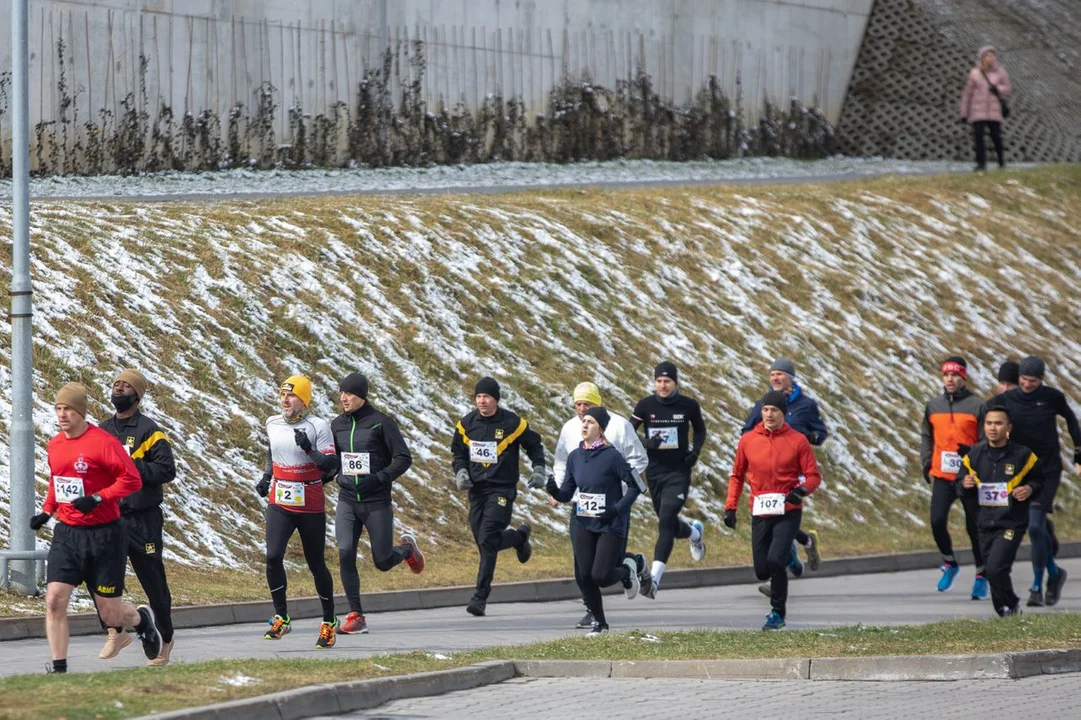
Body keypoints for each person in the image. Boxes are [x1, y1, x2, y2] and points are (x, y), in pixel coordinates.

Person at [31, 383, 162, 674]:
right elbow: (58, 482)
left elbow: (132, 480)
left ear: (80, 412)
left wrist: (99, 497)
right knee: (54, 600)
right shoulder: (55, 444)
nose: (62, 415)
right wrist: (47, 511)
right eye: (58, 409)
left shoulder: (103, 443)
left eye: (68, 409)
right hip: (67, 535)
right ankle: (60, 670)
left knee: (110, 613)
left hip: (106, 535)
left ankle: (142, 622)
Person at [552, 382, 651, 629]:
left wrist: (619, 497)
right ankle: (595, 617)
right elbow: (562, 464)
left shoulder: (618, 432)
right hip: (582, 510)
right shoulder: (571, 435)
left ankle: (631, 567)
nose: (582, 411)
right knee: (583, 571)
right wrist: (554, 488)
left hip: (612, 510)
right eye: (578, 405)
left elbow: (638, 466)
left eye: (588, 405)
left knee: (603, 573)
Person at [331, 373, 424, 635]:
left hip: (376, 502)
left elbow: (403, 458)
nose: (343, 398)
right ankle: (356, 615)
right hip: (348, 501)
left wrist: (379, 478)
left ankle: (407, 550)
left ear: (361, 395)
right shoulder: (336, 424)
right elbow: (334, 459)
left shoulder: (381, 423)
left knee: (382, 561)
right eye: (341, 393)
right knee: (345, 552)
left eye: (348, 393)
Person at [95, 369, 177, 666]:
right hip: (111, 517)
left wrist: (135, 466)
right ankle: (116, 630)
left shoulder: (149, 431)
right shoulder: (102, 430)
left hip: (143, 520)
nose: (118, 390)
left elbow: (167, 471)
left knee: (153, 582)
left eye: (125, 386)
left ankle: (166, 639)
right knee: (100, 576)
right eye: (115, 384)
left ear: (137, 395)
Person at [725, 390, 821, 630]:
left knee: (776, 560)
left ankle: (777, 614)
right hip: (760, 510)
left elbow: (813, 476)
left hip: (788, 510)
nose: (769, 414)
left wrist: (800, 491)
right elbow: (737, 476)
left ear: (783, 413)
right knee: (761, 570)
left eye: (774, 410)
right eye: (765, 409)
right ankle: (800, 543)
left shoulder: (797, 440)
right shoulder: (748, 440)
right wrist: (730, 508)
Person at [257, 375, 341, 647]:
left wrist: (309, 448)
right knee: (272, 557)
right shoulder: (272, 422)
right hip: (280, 498)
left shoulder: (318, 426)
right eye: (282, 394)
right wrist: (266, 477)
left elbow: (330, 465)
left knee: (316, 563)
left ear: (303, 401)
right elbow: (273, 451)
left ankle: (328, 621)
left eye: (291, 396)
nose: (284, 400)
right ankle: (281, 616)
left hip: (309, 499)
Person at [451, 377, 546, 617]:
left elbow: (534, 445)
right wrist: (460, 471)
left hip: (502, 489)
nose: (482, 401)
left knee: (487, 538)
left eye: (487, 397)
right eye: (478, 397)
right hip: (477, 491)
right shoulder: (466, 424)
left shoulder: (512, 423)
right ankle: (518, 538)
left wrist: (538, 468)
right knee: (484, 540)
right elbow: (458, 452)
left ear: (496, 399)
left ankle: (480, 597)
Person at [992, 356, 1081, 607]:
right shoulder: (1007, 399)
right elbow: (987, 417)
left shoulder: (1052, 397)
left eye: (1032, 381)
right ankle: (1055, 574)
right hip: (1020, 471)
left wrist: (1078, 453)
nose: (1027, 385)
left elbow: (1072, 421)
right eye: (1023, 380)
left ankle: (1036, 587)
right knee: (1033, 526)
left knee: (1034, 526)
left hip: (1047, 471)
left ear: (1041, 379)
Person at [741, 357, 826, 594]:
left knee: (783, 514)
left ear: (791, 378)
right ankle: (803, 542)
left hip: (796, 471)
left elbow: (820, 434)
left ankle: (780, 568)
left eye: (780, 374)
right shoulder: (763, 405)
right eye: (772, 374)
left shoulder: (806, 405)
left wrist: (805, 437)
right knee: (773, 514)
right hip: (768, 469)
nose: (776, 378)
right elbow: (746, 431)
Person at [631, 362, 707, 599]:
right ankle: (695, 533)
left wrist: (695, 452)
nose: (662, 386)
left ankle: (654, 580)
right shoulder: (645, 405)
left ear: (675, 383)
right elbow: (628, 431)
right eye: (659, 381)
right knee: (669, 525)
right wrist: (645, 442)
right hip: (654, 473)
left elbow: (701, 430)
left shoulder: (688, 405)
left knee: (665, 522)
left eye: (667, 381)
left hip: (678, 472)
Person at [957, 405, 1040, 617]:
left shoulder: (1022, 455)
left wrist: (1029, 489)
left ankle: (1010, 604)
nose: (993, 428)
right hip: (983, 523)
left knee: (995, 567)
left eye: (998, 423)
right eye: (989, 423)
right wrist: (964, 484)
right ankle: (1004, 609)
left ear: (1008, 427)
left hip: (1011, 522)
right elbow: (959, 486)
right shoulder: (974, 456)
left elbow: (1039, 480)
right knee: (991, 569)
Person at [920, 356, 986, 597]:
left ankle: (981, 573)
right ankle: (950, 563)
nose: (950, 379)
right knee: (937, 521)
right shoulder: (933, 405)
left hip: (968, 476)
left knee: (973, 527)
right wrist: (926, 461)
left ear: (963, 378)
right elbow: (926, 435)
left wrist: (976, 466)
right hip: (942, 475)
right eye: (946, 375)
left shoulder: (977, 406)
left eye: (955, 375)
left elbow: (984, 440)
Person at [960, 46, 1011, 171]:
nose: (991, 58)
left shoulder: (1001, 72)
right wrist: (964, 113)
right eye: (988, 55)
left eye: (993, 55)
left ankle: (1001, 162)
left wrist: (997, 89)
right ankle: (980, 164)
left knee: (996, 137)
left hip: (994, 111)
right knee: (978, 137)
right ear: (982, 58)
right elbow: (968, 94)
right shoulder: (975, 73)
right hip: (977, 110)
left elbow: (1008, 87)